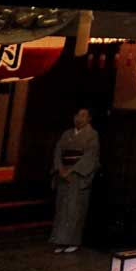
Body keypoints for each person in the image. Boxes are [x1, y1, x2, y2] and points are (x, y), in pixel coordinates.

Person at [49, 107, 99, 253]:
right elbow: (58, 152)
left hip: (78, 176)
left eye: (83, 115)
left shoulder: (92, 135)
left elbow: (90, 156)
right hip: (63, 175)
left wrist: (72, 170)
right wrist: (60, 168)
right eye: (77, 115)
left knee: (75, 209)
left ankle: (73, 241)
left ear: (89, 119)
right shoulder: (67, 134)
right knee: (62, 209)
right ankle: (59, 241)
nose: (79, 118)